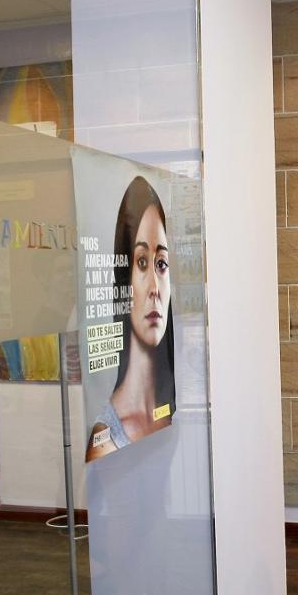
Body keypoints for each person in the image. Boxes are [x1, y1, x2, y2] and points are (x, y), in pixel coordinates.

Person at [85, 177, 175, 462]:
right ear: (124, 278)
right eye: (141, 262)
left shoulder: (170, 406)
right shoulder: (107, 437)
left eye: (161, 264)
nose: (154, 288)